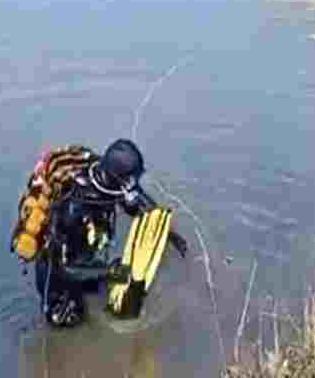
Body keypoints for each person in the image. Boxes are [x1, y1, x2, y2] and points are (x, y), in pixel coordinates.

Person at [11, 139, 188, 327]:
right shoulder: (73, 208)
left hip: (83, 253)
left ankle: (92, 278)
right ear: (117, 179)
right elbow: (64, 268)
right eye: (130, 181)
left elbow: (141, 203)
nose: (133, 187)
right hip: (56, 269)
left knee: (100, 291)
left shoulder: (112, 180)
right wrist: (108, 272)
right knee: (68, 322)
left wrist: (168, 232)